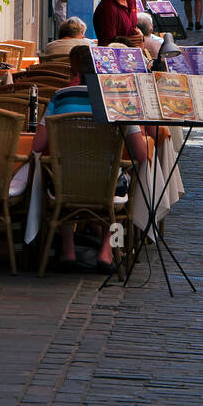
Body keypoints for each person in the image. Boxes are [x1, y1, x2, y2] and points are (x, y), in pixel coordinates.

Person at [32, 46, 143, 274]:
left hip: (66, 183)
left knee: (58, 173)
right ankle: (107, 250)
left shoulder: (61, 97)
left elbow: (36, 146)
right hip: (107, 185)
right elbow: (141, 154)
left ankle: (68, 249)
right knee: (127, 180)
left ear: (77, 73)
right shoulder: (119, 99)